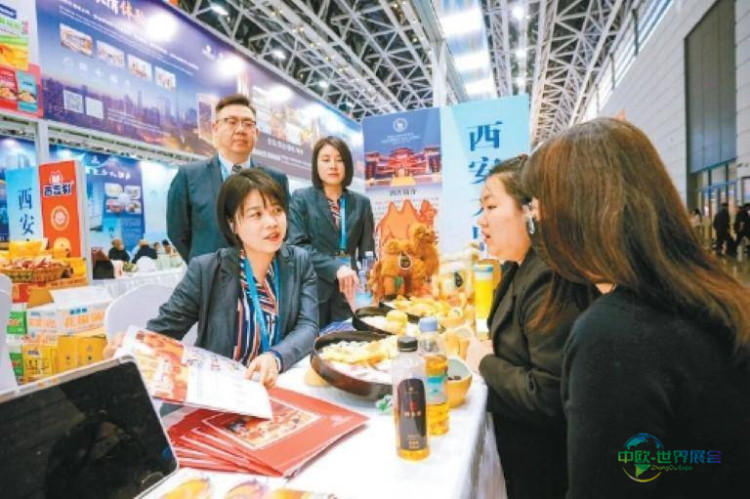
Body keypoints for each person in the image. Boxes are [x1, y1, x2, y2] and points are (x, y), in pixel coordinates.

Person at [522, 117, 750, 497]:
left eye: (538, 207)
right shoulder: (714, 296)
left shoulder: (614, 335)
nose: (536, 220)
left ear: (578, 213)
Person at [117, 169, 318, 387]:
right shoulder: (206, 270)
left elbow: (308, 326)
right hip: (220, 388)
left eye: (277, 210)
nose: (271, 222)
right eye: (256, 214)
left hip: (277, 383)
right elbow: (164, 330)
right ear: (233, 224)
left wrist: (276, 357)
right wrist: (131, 345)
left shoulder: (299, 262)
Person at [470, 154, 587, 499]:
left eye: (492, 207)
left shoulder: (548, 276)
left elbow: (548, 395)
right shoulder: (517, 266)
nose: (482, 220)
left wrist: (484, 361)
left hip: (544, 470)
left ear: (531, 210)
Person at [167, 94, 290, 262]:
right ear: (215, 128)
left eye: (248, 124)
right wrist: (204, 267)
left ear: (256, 133)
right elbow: (177, 232)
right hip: (211, 274)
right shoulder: (188, 176)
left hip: (262, 273)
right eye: (231, 122)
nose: (240, 130)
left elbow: (284, 229)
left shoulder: (276, 179)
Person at [288, 137, 375, 325]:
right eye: (326, 159)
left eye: (339, 160)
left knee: (350, 338)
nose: (333, 166)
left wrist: (369, 285)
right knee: (315, 339)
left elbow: (367, 252)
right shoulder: (301, 199)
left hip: (350, 291)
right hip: (314, 290)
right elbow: (297, 245)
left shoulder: (361, 203)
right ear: (316, 165)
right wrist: (336, 268)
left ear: (347, 165)